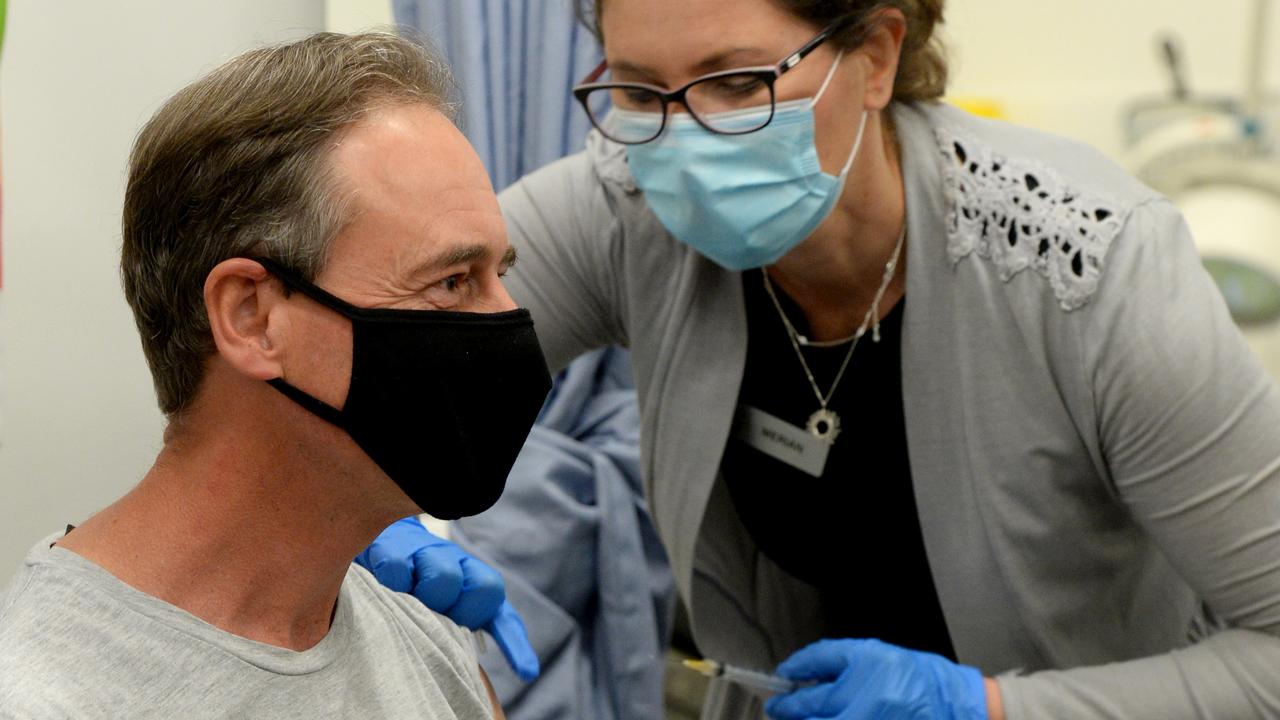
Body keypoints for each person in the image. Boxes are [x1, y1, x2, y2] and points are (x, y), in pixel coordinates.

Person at [361, 1, 1280, 718]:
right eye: (641, 93)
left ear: (876, 56)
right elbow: (386, 359)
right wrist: (372, 514)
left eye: (735, 83)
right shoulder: (625, 210)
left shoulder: (1090, 274)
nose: (682, 138)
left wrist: (985, 709)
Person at [0, 31, 554, 719]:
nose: (510, 324)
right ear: (252, 316)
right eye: (450, 281)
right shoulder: (48, 698)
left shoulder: (425, 639)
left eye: (500, 276)